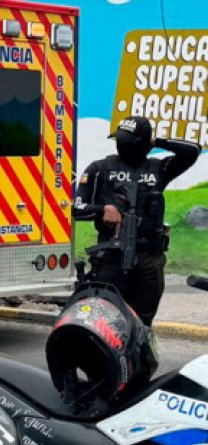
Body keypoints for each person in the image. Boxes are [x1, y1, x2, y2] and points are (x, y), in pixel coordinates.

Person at [74, 116, 200, 325]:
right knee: (104, 320)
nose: (121, 145)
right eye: (119, 141)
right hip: (111, 257)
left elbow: (192, 150)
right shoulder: (100, 169)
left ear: (143, 144)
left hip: (148, 258)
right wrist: (102, 209)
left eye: (126, 141)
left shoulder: (160, 169)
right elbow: (76, 208)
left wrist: (157, 142)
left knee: (142, 323)